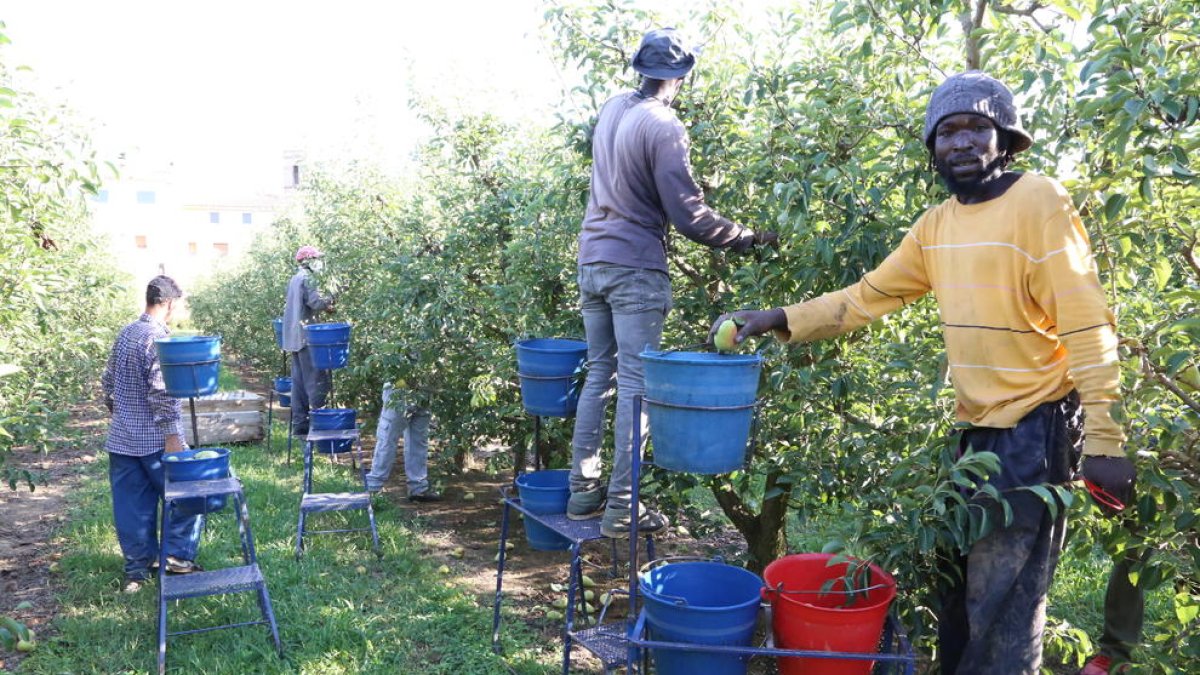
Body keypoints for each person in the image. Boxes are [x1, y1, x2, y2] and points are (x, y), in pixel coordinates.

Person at [712, 71, 1137, 673]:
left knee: (1005, 612)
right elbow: (865, 297)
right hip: (975, 440)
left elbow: (1086, 322)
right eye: (947, 131)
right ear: (933, 148)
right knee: (958, 601)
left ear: (1005, 139)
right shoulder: (937, 225)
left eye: (976, 128)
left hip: (1034, 434)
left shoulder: (1039, 202)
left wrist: (1106, 442)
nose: (961, 141)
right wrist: (778, 317)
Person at [567, 27, 778, 539]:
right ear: (682, 76)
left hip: (593, 258)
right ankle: (622, 509)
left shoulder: (614, 109)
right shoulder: (664, 125)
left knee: (600, 375)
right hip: (634, 266)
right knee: (636, 385)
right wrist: (745, 238)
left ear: (640, 68)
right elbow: (688, 215)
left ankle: (581, 493)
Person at [101, 275, 204, 594]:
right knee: (189, 495)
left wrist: (121, 414)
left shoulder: (127, 332)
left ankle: (137, 571)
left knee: (132, 508)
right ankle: (176, 559)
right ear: (169, 304)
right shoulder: (158, 339)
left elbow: (107, 382)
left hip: (122, 440)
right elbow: (162, 392)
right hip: (156, 440)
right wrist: (173, 437)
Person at [282, 245, 334, 437]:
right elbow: (317, 303)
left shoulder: (296, 278)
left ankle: (300, 426)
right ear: (308, 261)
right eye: (316, 259)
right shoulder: (308, 278)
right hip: (307, 338)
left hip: (294, 338)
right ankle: (321, 426)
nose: (319, 262)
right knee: (316, 381)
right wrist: (333, 296)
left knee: (299, 384)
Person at [365, 382, 440, 502]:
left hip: (425, 390)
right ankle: (373, 488)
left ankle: (418, 488)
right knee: (387, 439)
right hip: (399, 389)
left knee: (418, 441)